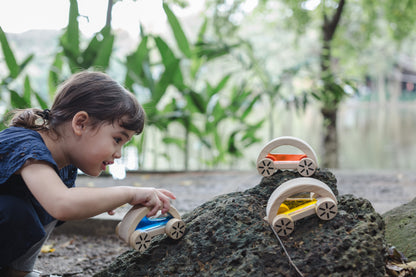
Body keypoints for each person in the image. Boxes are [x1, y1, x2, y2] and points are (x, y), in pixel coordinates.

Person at [0, 71, 176, 277]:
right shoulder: (26, 146)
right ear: (80, 123)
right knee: (15, 210)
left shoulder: (65, 166)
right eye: (117, 139)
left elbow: (55, 210)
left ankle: (17, 271)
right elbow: (61, 204)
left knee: (37, 209)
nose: (118, 154)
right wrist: (129, 193)